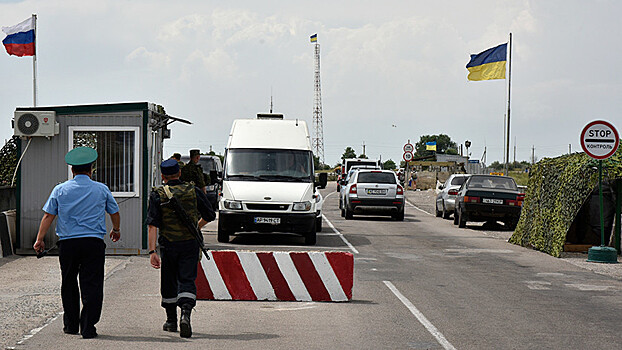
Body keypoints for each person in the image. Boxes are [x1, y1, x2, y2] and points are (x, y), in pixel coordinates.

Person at [33, 147, 121, 339]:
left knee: (69, 283)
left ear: (72, 170)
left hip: (68, 244)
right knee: (93, 284)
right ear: (91, 170)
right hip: (93, 243)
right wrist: (116, 230)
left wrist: (40, 239)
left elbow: (49, 215)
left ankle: (71, 325)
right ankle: (88, 327)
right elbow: (114, 212)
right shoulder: (101, 189)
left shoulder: (60, 189)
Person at [147, 159, 215, 338]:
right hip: (190, 244)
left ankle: (170, 321)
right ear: (179, 173)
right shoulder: (193, 191)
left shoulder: (158, 194)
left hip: (169, 245)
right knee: (187, 279)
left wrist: (152, 251)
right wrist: (196, 227)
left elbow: (152, 225)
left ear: (162, 176)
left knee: (169, 280)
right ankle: (186, 314)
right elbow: (210, 214)